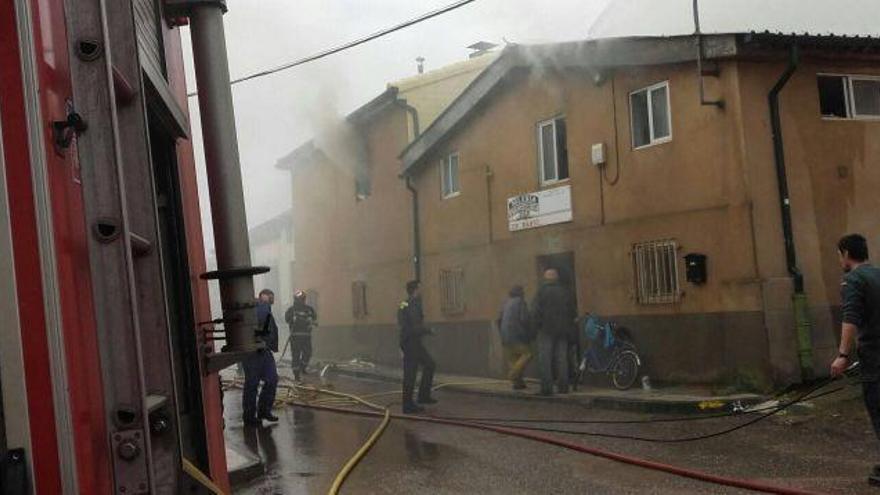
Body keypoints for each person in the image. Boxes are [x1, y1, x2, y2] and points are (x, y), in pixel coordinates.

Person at [831, 234, 880, 486]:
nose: (840, 259)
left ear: (846, 254)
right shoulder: (878, 274)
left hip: (875, 359)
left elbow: (850, 318)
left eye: (840, 255)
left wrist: (842, 355)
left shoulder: (853, 280)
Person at [532, 268, 577, 396]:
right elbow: (572, 311)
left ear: (545, 278)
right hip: (563, 330)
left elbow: (535, 311)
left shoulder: (541, 292)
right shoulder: (565, 291)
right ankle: (563, 388)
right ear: (557, 278)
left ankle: (547, 388)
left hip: (546, 330)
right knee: (562, 359)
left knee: (545, 359)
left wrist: (536, 327)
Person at [398, 280, 437, 413]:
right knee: (410, 373)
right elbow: (415, 326)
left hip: (412, 342)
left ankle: (423, 396)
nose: (421, 291)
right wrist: (428, 330)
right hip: (411, 343)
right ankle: (407, 405)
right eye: (420, 288)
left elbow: (402, 320)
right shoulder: (412, 304)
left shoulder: (405, 303)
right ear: (415, 290)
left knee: (430, 364)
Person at [242, 289, 280, 426]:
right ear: (262, 296)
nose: (271, 298)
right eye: (269, 296)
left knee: (272, 379)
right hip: (253, 352)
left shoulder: (266, 309)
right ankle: (249, 416)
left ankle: (263, 411)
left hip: (264, 351)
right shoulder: (260, 308)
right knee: (252, 384)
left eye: (272, 296)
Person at [497, 285, 533, 390]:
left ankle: (518, 383)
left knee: (514, 360)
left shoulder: (505, 303)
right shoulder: (521, 302)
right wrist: (529, 332)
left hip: (505, 337)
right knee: (528, 354)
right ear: (521, 293)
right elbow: (524, 319)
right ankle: (513, 375)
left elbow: (498, 320)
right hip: (517, 336)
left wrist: (502, 333)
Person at [284, 290, 318, 382]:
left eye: (302, 299)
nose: (301, 301)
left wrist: (312, 321)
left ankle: (303, 367)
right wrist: (293, 318)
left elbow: (314, 317)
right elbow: (287, 319)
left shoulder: (309, 309)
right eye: (299, 299)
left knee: (308, 353)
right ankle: (296, 375)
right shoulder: (291, 310)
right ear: (295, 299)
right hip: (295, 337)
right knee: (296, 355)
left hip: (306, 337)